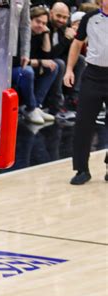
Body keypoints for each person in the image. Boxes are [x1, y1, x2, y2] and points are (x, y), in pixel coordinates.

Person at [64, 0, 108, 185]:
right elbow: (77, 43)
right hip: (93, 74)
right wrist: (69, 69)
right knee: (83, 123)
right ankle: (82, 169)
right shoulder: (89, 18)